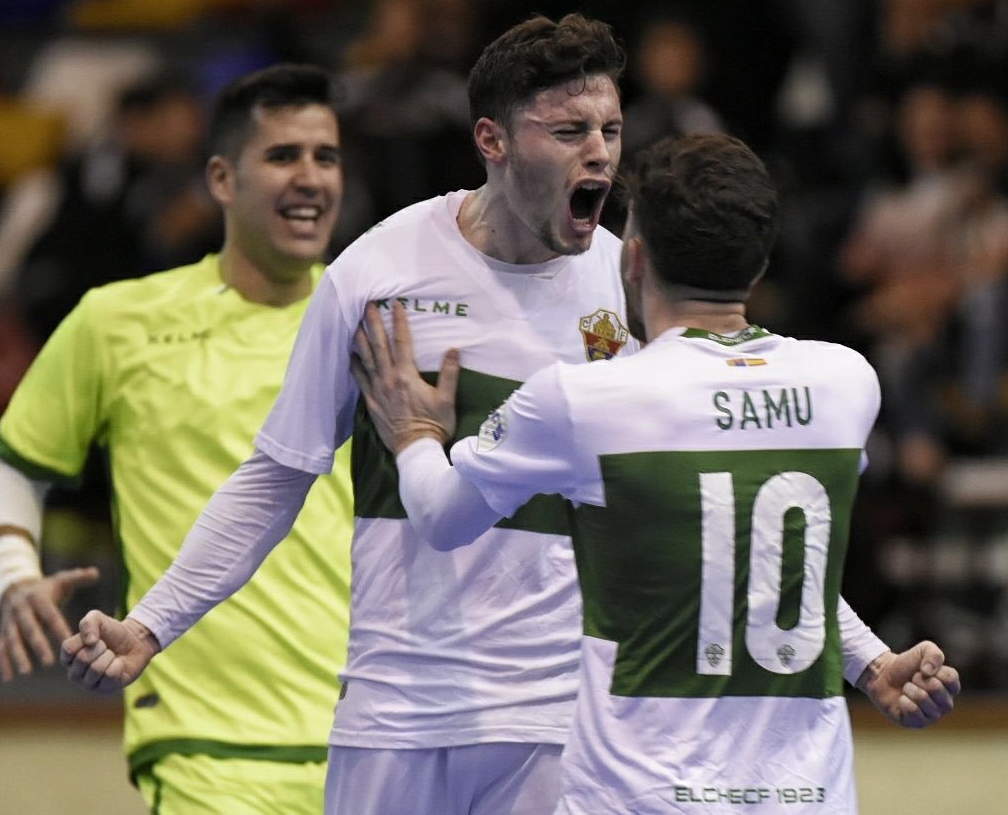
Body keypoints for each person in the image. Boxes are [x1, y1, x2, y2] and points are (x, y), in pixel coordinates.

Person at [61, 16, 954, 815]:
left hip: (562, 721)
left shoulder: (632, 283)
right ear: (491, 139)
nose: (599, 154)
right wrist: (152, 624)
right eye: (568, 131)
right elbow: (277, 475)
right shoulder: (379, 275)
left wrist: (864, 656)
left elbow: (724, 521)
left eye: (610, 129)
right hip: (396, 707)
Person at [351, 133, 962, 814]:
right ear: (757, 266)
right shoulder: (844, 383)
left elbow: (440, 516)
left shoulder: (587, 400)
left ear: (634, 258)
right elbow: (770, 560)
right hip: (808, 796)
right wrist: (873, 662)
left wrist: (413, 435)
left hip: (639, 795)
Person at [0, 64, 353, 815]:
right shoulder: (119, 320)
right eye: (282, 156)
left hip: (382, 740)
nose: (310, 178)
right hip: (208, 752)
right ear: (221, 179)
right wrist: (13, 569)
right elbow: (0, 474)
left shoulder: (372, 317)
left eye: (325, 157)